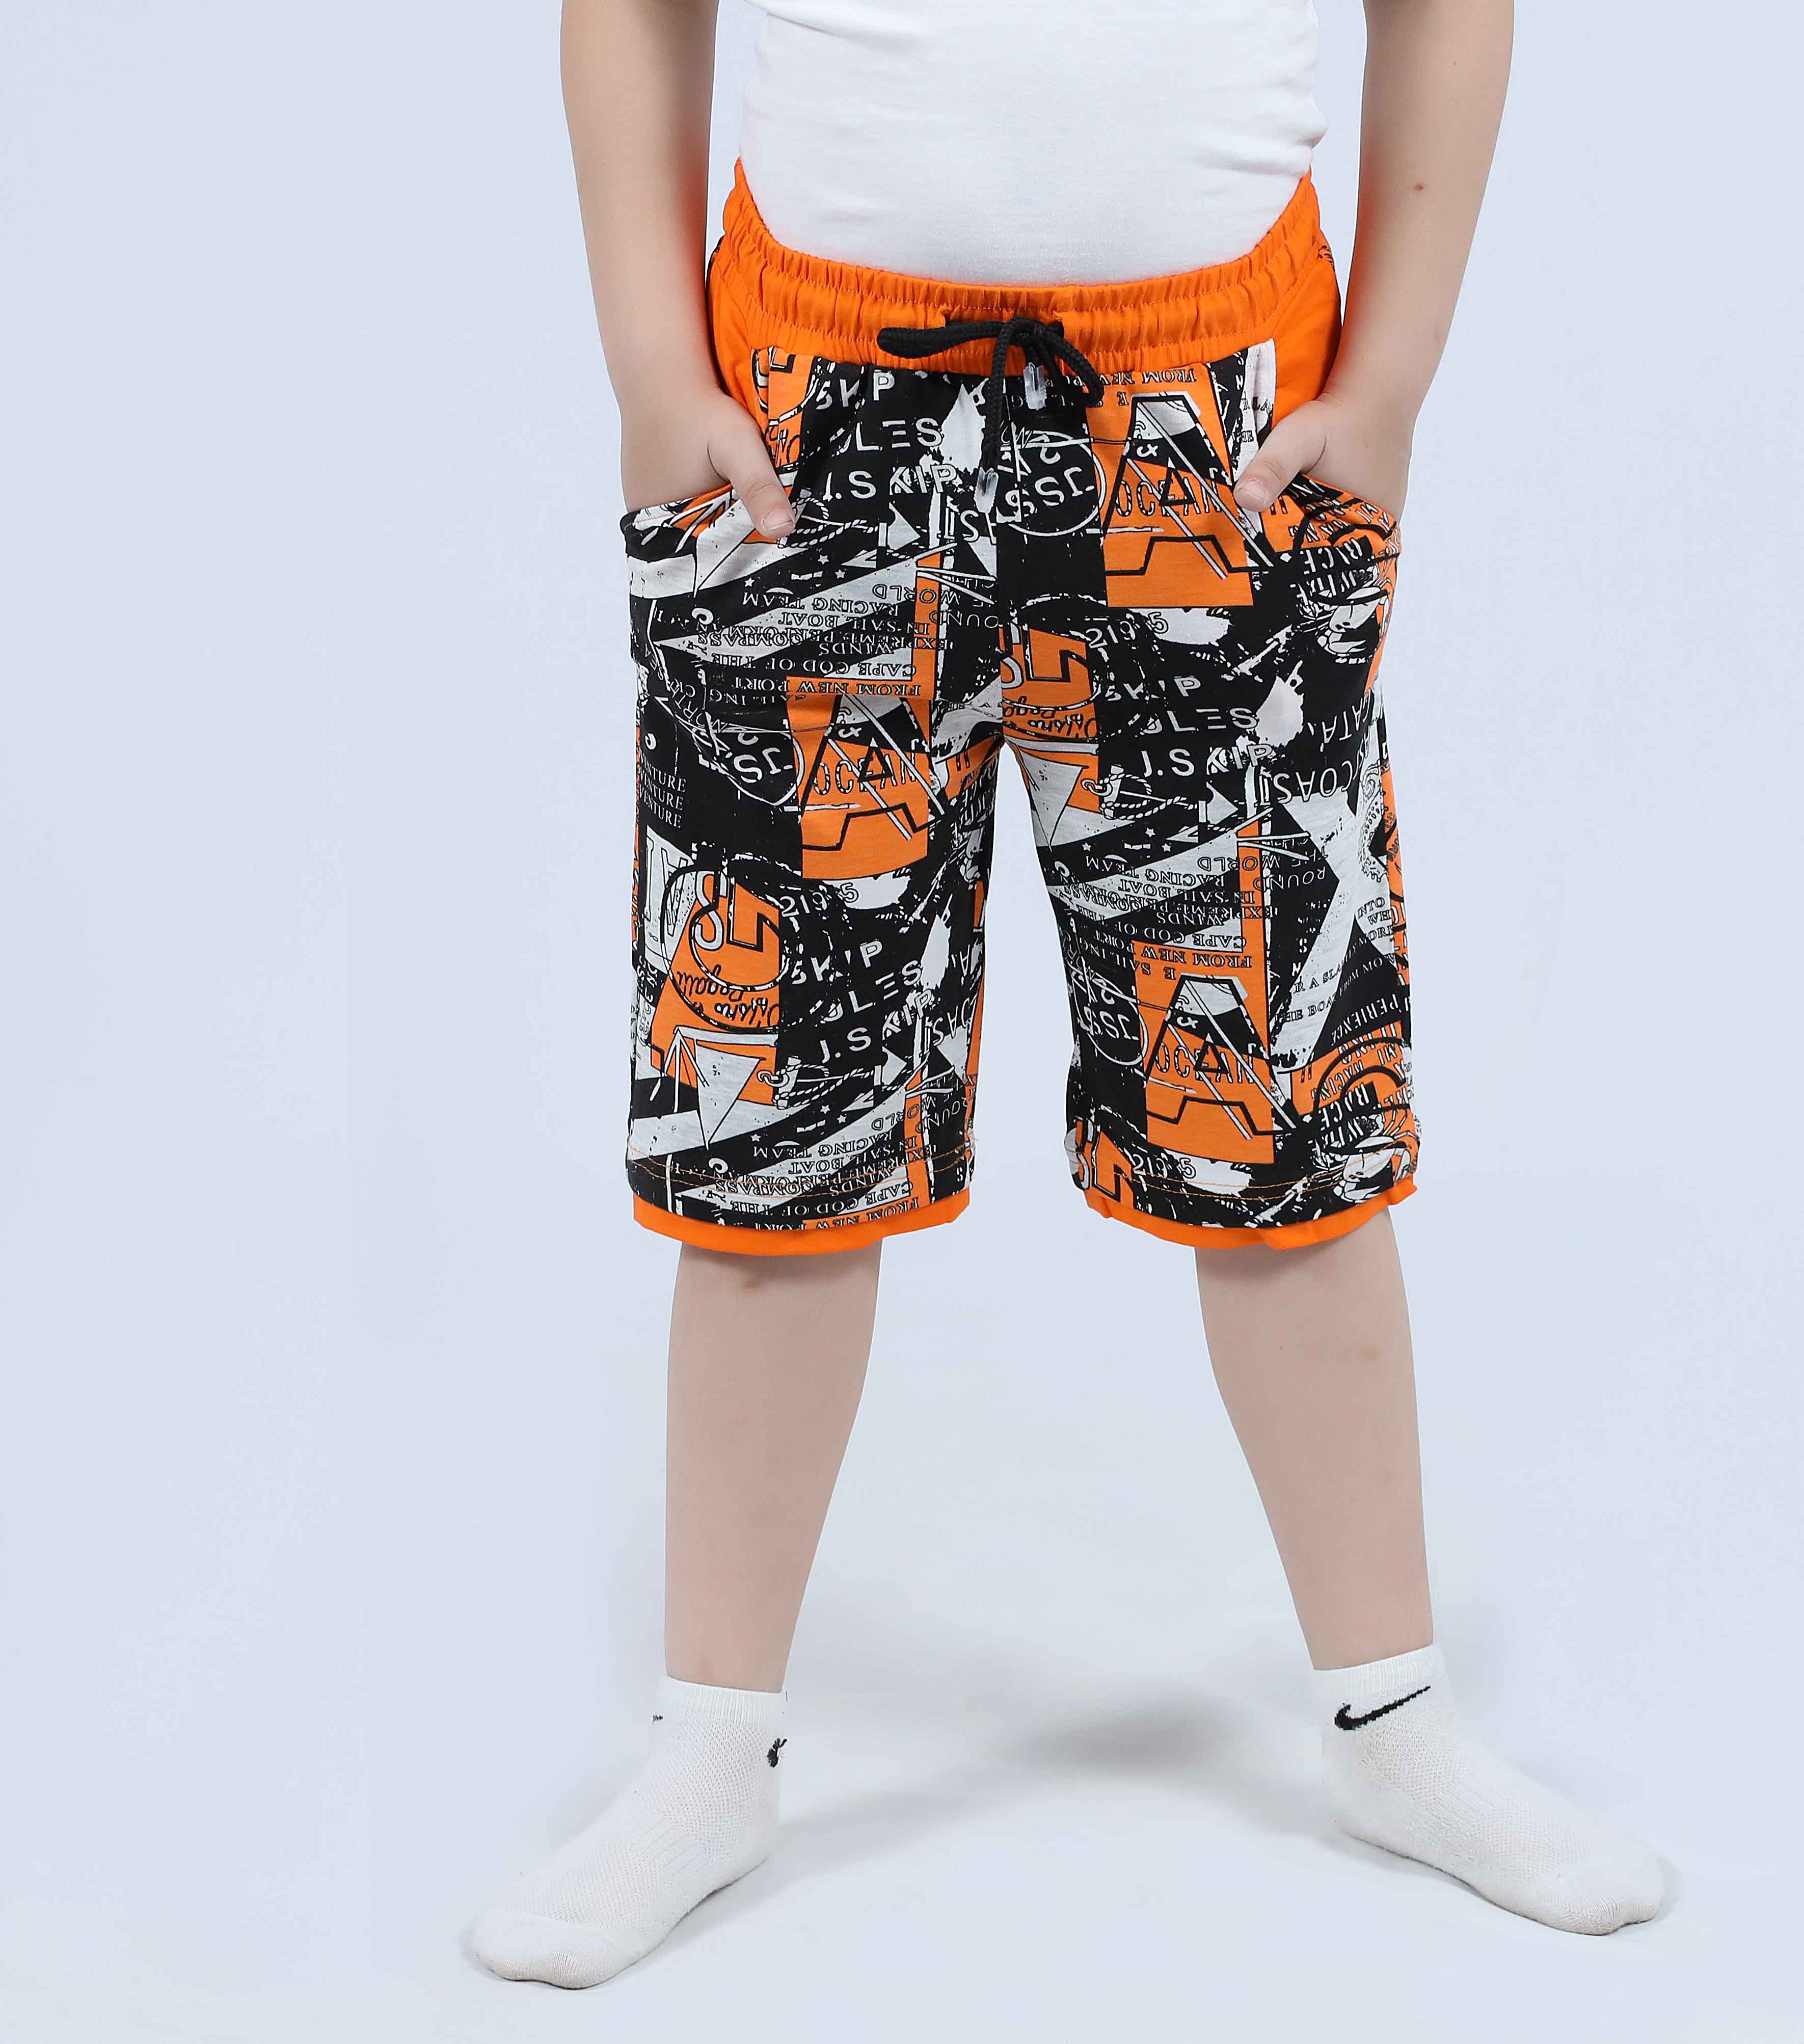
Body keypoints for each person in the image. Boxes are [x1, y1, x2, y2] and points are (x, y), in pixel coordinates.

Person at [470, 0, 1664, 1987]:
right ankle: (708, 1749)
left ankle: (1394, 1715)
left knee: (1277, 1106)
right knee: (774, 1128)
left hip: (1218, 424)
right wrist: (648, 365)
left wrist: (1388, 382)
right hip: (801, 438)